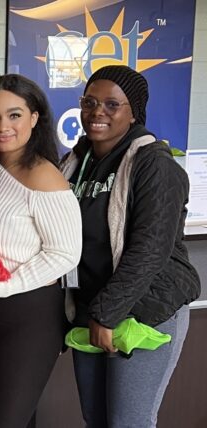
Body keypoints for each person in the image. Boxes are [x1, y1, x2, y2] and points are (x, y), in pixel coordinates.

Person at [60, 65, 200, 427]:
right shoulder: (76, 162)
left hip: (147, 308)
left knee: (129, 422)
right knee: (96, 418)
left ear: (133, 111)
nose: (97, 113)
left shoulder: (155, 165)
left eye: (111, 104)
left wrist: (107, 313)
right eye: (89, 102)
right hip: (94, 308)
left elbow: (149, 248)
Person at [0, 74, 83, 428]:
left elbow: (64, 255)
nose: (2, 126)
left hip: (27, 317)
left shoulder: (44, 176)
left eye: (14, 115)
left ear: (34, 118)